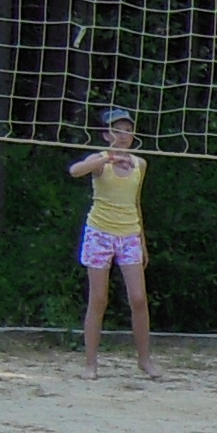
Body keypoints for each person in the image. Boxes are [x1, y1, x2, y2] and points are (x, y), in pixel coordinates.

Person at [69, 108, 154, 378]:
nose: (123, 135)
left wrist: (142, 241)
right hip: (100, 233)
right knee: (98, 299)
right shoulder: (99, 161)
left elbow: (136, 204)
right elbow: (75, 171)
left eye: (127, 130)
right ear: (107, 135)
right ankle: (90, 365)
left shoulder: (139, 164)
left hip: (129, 234)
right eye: (117, 130)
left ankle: (144, 360)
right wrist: (108, 157)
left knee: (138, 298)